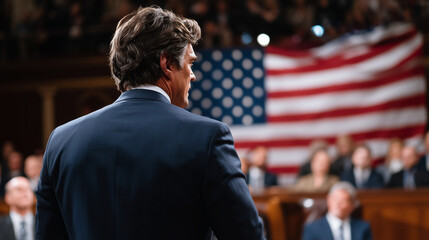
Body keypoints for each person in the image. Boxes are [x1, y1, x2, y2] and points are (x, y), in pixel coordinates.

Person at [36, 6, 265, 240]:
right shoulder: (207, 137)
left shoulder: (61, 140)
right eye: (190, 63)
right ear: (167, 64)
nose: (193, 74)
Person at [302, 182, 373, 240]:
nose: (338, 204)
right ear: (328, 200)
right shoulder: (312, 228)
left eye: (343, 201)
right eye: (335, 199)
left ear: (352, 205)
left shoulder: (363, 228)